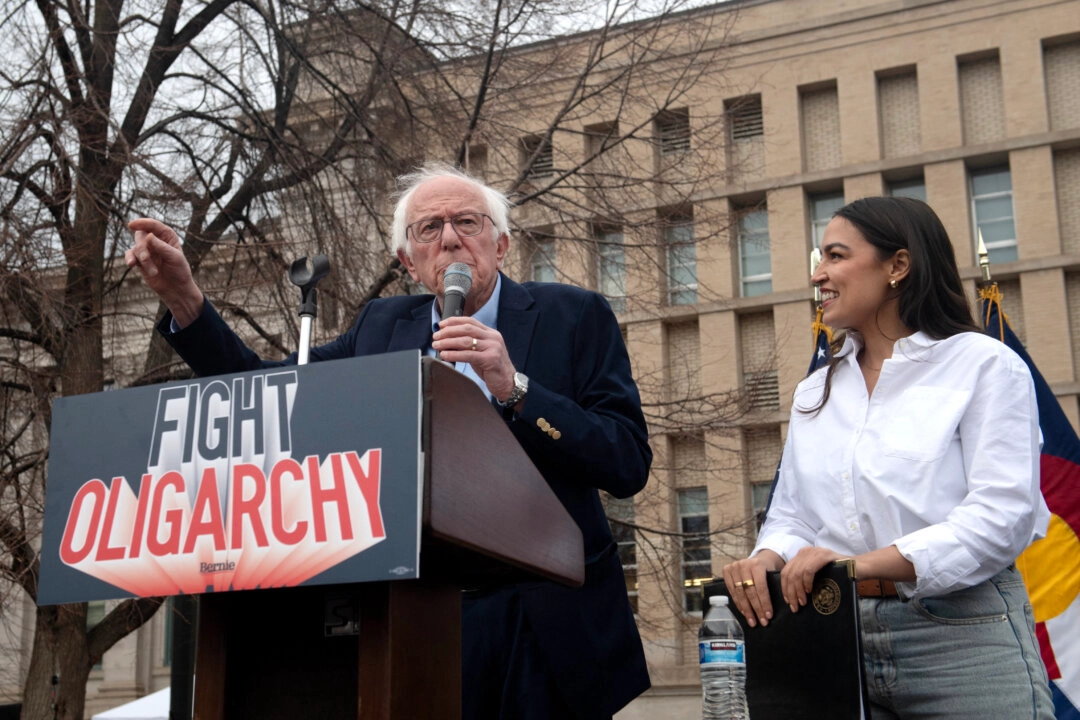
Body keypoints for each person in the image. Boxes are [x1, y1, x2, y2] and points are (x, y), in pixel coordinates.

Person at [125, 162, 652, 719]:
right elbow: (271, 392)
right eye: (429, 229)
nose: (450, 239)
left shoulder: (574, 316)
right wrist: (186, 300)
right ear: (408, 261)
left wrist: (515, 386)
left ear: (501, 246)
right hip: (414, 617)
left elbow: (626, 459)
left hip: (545, 620)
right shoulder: (380, 328)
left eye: (467, 222)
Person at [722, 196, 1054, 719]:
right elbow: (795, 515)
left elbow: (1001, 517)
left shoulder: (985, 366)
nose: (817, 275)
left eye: (834, 256)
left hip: (960, 639)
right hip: (831, 636)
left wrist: (856, 565)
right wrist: (767, 559)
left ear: (898, 265)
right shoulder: (814, 391)